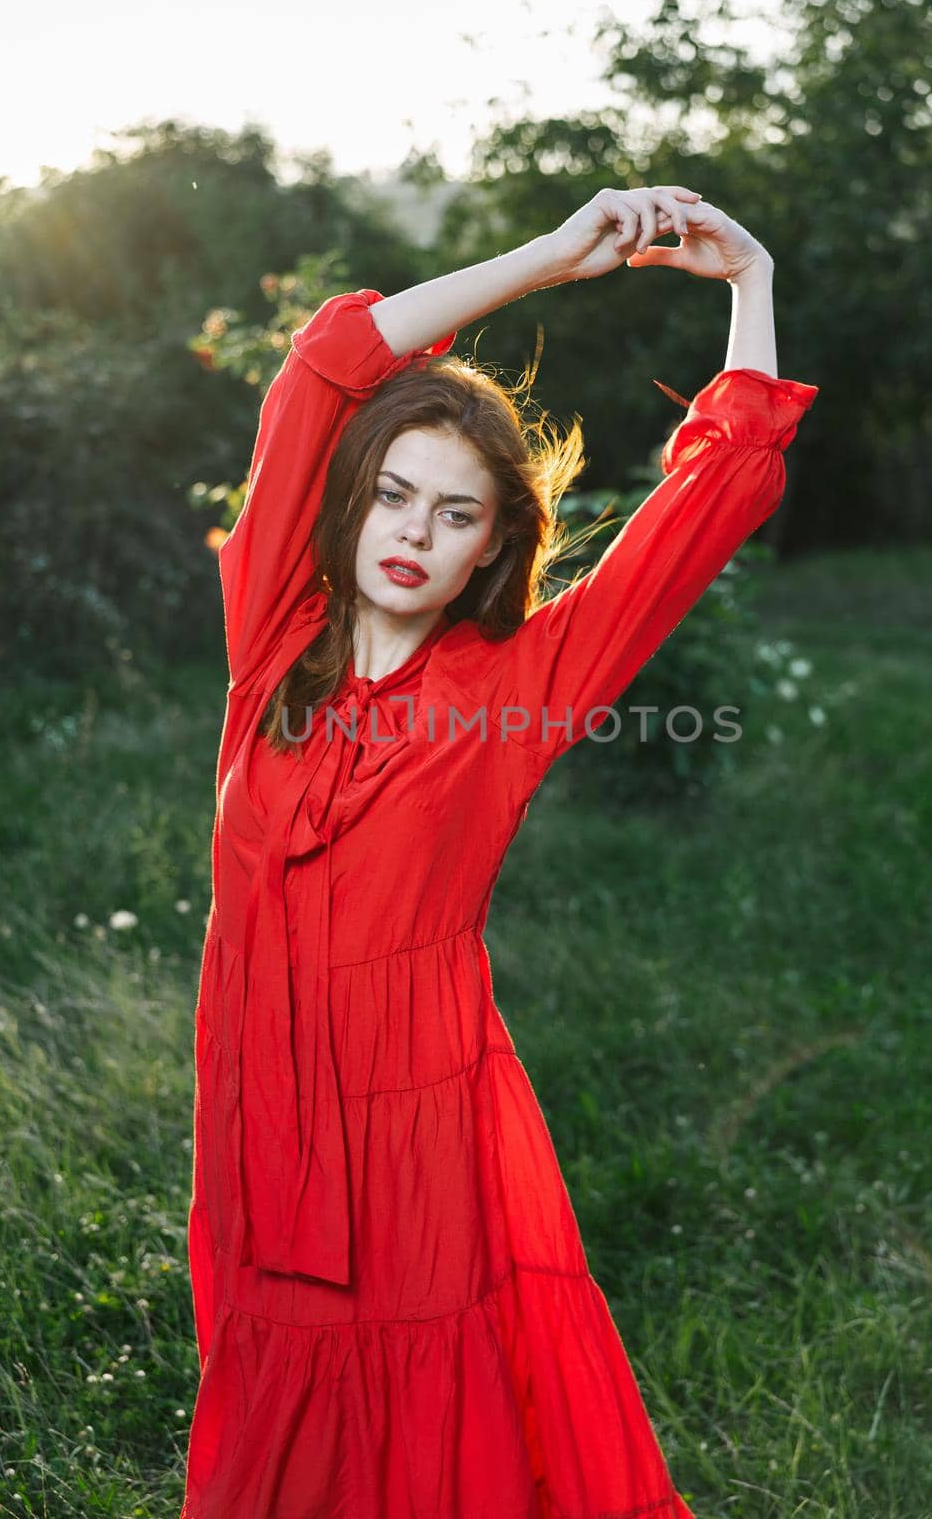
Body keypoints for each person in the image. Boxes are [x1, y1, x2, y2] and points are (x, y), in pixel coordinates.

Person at [180, 185, 819, 1519]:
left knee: (429, 1396)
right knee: (277, 1391)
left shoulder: (516, 689)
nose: (413, 533)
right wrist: (543, 261)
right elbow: (321, 369)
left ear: (488, 549)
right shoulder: (269, 641)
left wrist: (747, 285)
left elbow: (705, 505)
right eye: (395, 497)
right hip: (257, 1101)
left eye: (456, 514)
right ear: (350, 505)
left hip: (417, 1105)